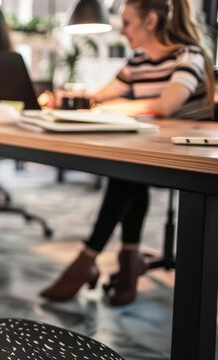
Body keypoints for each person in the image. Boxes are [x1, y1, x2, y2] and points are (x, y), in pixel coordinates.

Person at [40, 0, 214, 306]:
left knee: (126, 175)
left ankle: (88, 258)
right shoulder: (138, 60)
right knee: (128, 172)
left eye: (128, 23)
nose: (122, 31)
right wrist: (66, 99)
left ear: (150, 21)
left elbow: (165, 106)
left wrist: (108, 107)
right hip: (150, 151)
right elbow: (98, 95)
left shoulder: (189, 56)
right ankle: (127, 262)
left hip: (190, 161)